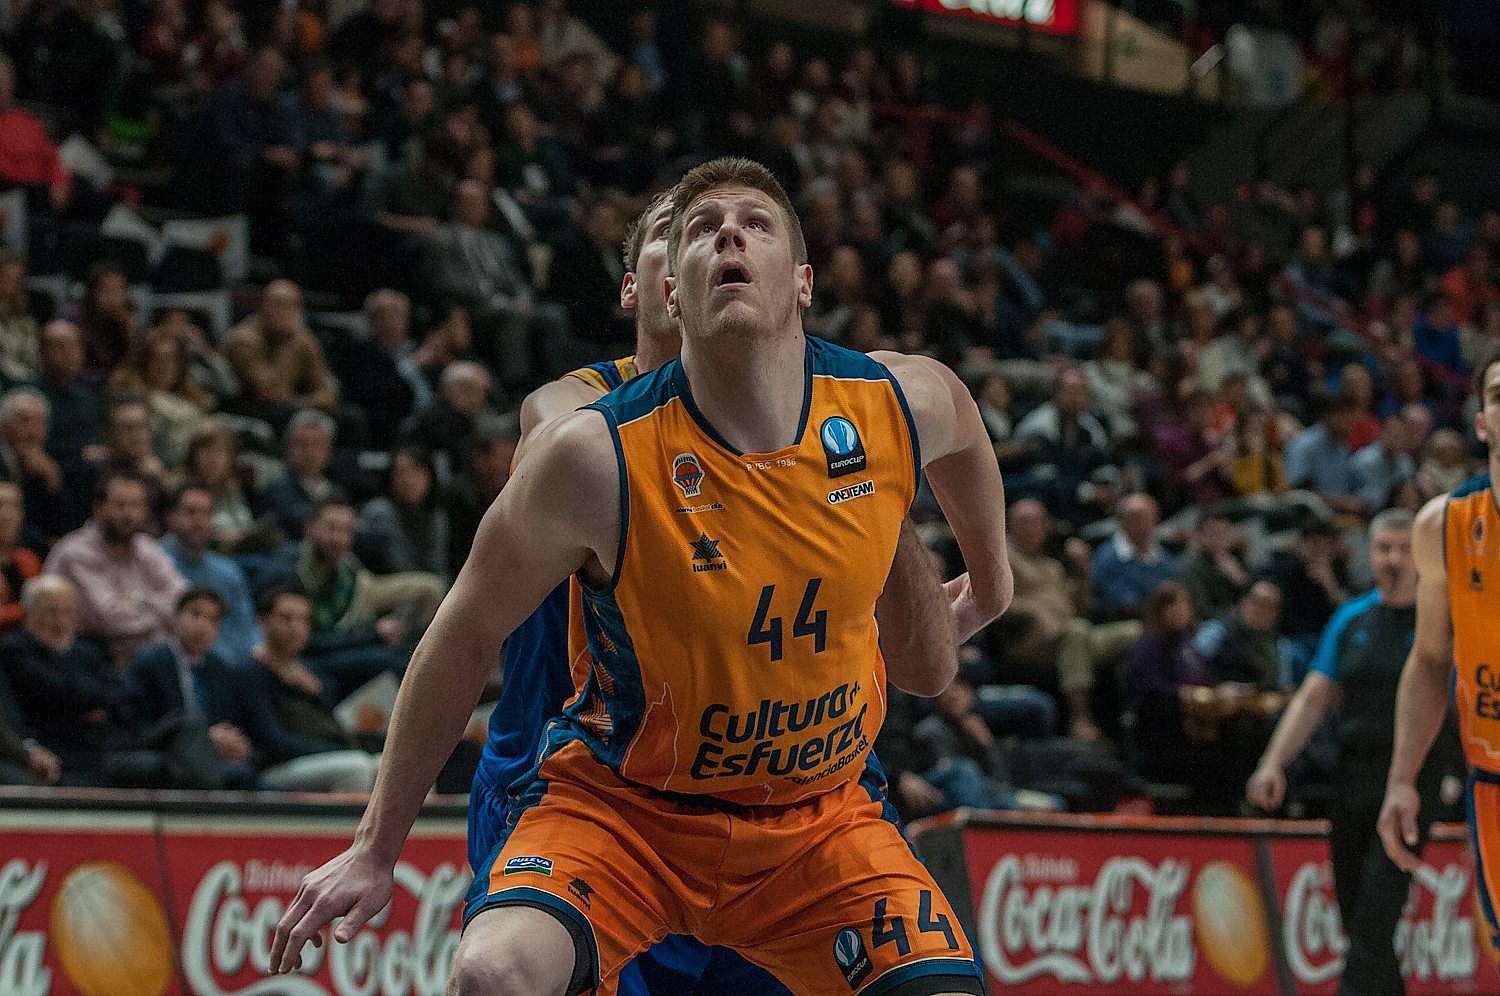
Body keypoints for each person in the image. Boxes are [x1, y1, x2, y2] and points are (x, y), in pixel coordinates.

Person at [271, 157, 1013, 996]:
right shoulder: (585, 438)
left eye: (754, 223)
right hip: (621, 794)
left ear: (805, 280)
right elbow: (464, 628)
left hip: (813, 812)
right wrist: (376, 846)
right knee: (492, 973)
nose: (725, 236)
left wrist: (992, 583)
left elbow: (960, 426)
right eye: (694, 229)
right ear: (658, 290)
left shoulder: (882, 405)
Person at [1253, 510, 1461, 995]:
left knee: (1373, 917)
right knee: (1358, 921)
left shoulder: (1440, 621)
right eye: (1384, 548)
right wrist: (1272, 763)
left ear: (1422, 556)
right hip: (1351, 776)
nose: (1394, 559)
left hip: (1413, 778)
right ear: (1369, 555)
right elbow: (1311, 699)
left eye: (1404, 548)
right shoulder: (1350, 618)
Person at [1380, 355, 1500, 953]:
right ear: (1481, 422)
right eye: (1499, 394)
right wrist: (1403, 778)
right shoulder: (1442, 527)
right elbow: (1430, 660)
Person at [43, 472, 189, 669]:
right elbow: (112, 620)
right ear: (98, 509)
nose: (129, 515)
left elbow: (182, 601)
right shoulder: (75, 554)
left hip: (148, 660)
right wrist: (159, 609)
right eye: (120, 505)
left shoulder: (146, 547)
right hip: (88, 661)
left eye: (136, 505)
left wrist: (138, 599)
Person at [126, 586, 256, 788]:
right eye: (195, 614)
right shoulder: (150, 663)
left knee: (245, 772)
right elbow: (140, 731)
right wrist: (204, 739)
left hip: (213, 758)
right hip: (167, 754)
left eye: (212, 620)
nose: (202, 625)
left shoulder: (219, 668)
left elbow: (228, 721)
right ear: (176, 617)